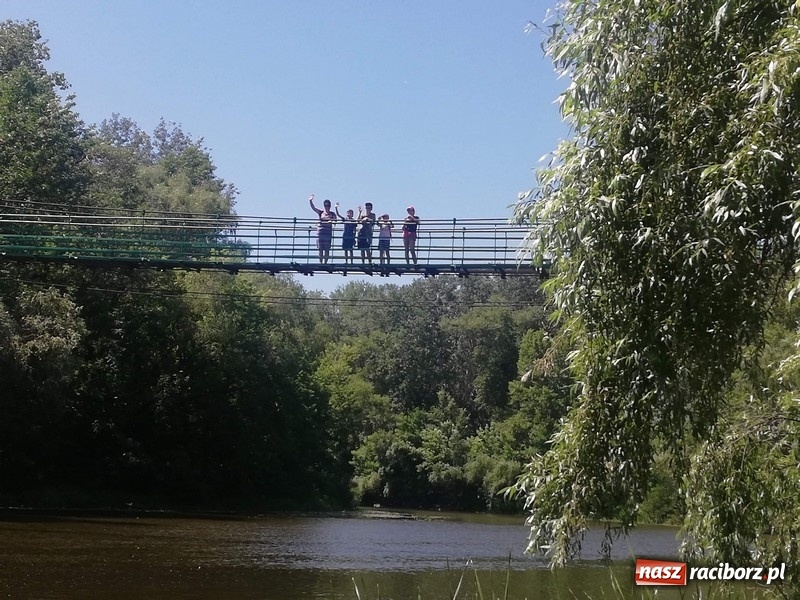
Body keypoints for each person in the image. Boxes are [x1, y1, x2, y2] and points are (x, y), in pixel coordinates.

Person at [308, 194, 337, 263]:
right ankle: (321, 263)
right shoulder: (321, 212)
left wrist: (331, 221)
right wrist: (310, 201)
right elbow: (313, 208)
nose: (327, 207)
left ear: (330, 206)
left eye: (328, 205)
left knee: (327, 249)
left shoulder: (332, 214)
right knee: (320, 249)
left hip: (327, 233)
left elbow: (335, 221)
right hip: (320, 233)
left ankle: (325, 263)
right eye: (325, 205)